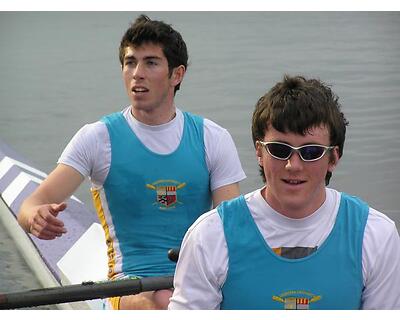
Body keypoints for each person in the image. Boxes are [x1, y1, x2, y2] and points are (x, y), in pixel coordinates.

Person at [17, 15, 246, 310]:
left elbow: (232, 228)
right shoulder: (98, 138)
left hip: (195, 278)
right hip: (127, 287)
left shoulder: (212, 138)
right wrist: (36, 216)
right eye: (130, 62)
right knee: (161, 302)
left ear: (177, 74)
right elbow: (31, 204)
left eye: (150, 63)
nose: (137, 73)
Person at [169, 75, 400, 310]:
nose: (293, 165)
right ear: (259, 153)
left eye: (311, 152)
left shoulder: (376, 235)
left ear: (333, 158)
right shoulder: (210, 235)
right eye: (280, 150)